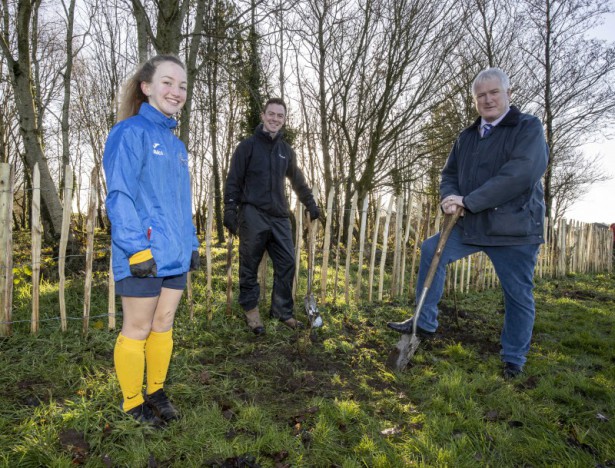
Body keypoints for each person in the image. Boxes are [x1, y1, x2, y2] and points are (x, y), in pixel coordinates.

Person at [388, 67, 548, 380]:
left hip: (513, 230)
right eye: (480, 96)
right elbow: (449, 174)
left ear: (508, 94)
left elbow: (521, 173)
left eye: (493, 93)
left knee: (517, 295)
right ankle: (425, 321)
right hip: (472, 225)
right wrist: (450, 196)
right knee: (432, 249)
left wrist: (469, 201)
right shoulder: (467, 137)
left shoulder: (528, 127)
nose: (487, 100)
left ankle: (513, 358)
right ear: (475, 100)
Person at [103, 55, 200, 425]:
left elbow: (182, 202)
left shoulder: (177, 146)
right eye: (167, 82)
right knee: (138, 328)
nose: (176, 91)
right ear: (146, 87)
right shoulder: (129, 133)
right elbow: (120, 196)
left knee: (163, 324)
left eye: (183, 85)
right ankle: (132, 402)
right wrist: (136, 248)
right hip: (142, 253)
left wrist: (191, 243)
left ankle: (156, 390)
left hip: (174, 254)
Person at [224, 98, 320, 335]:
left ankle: (282, 311)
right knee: (249, 263)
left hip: (278, 216)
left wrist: (310, 203)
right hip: (252, 213)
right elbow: (233, 180)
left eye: (280, 116)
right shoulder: (247, 147)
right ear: (263, 115)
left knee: (287, 262)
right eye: (271, 114)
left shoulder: (286, 152)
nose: (275, 119)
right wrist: (229, 208)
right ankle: (251, 311)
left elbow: (298, 180)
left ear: (284, 120)